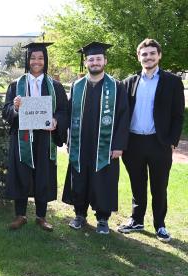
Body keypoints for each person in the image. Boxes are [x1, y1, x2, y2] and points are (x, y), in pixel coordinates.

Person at [118, 39, 185, 242]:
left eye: (152, 53)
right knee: (137, 185)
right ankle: (137, 220)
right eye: (144, 54)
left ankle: (160, 225)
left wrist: (172, 140)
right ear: (139, 57)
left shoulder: (172, 82)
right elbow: (122, 114)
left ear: (159, 55)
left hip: (159, 143)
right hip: (134, 143)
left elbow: (178, 115)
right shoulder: (129, 82)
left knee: (159, 186)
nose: (148, 57)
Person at [62, 42, 129, 234]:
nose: (95, 62)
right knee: (80, 177)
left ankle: (102, 219)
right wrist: (68, 139)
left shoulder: (116, 86)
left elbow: (124, 117)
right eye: (91, 59)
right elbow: (68, 113)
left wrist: (119, 144)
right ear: (86, 62)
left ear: (105, 61)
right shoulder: (77, 86)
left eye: (98, 59)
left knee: (104, 180)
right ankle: (79, 215)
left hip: (105, 145)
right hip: (81, 143)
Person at [2, 42, 69, 232]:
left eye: (40, 58)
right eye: (33, 58)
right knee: (21, 173)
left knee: (43, 175)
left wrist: (56, 120)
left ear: (45, 60)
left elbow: (64, 110)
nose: (36, 61)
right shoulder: (16, 85)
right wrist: (14, 107)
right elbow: (5, 110)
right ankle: (20, 215)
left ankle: (41, 217)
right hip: (22, 137)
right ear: (28, 60)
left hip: (45, 139)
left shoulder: (55, 86)